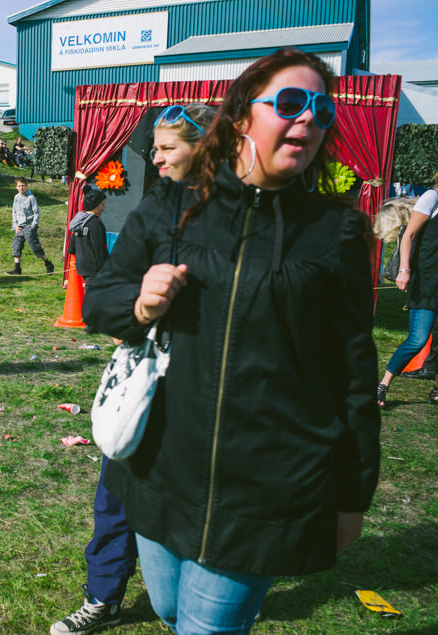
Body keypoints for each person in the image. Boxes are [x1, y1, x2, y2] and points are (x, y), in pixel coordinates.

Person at [83, 48, 379, 635]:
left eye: (323, 110)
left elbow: (353, 370)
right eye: (291, 103)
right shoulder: (172, 206)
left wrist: (352, 495)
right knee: (169, 609)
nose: (309, 121)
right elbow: (99, 300)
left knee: (207, 627)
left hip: (268, 488)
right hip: (160, 467)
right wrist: (139, 303)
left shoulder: (335, 231)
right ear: (243, 116)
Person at [51, 102, 215, 635]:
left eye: (168, 148)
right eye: (156, 148)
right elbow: (100, 302)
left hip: (213, 401)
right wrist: (139, 308)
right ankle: (104, 597)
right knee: (115, 499)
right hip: (145, 389)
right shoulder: (153, 214)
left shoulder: (253, 220)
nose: (156, 158)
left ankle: (211, 595)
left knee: (197, 510)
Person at [377, 174, 438, 406]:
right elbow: (409, 236)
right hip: (427, 280)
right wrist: (404, 269)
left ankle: (436, 390)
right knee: (418, 339)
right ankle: (383, 384)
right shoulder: (432, 197)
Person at [7, 177, 54, 275]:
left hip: (29, 226)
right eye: (19, 186)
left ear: (26, 186)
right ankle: (17, 269)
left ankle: (48, 263)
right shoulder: (16, 197)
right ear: (16, 187)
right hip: (19, 227)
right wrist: (15, 225)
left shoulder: (30, 198)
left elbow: (36, 212)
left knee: (35, 247)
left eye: (23, 186)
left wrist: (33, 226)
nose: (21, 188)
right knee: (16, 246)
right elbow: (14, 212)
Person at [68, 185, 108, 283]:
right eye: (103, 204)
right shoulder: (95, 223)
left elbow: (72, 248)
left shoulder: (80, 222)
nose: (104, 207)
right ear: (96, 205)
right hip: (94, 266)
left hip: (82, 265)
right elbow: (99, 248)